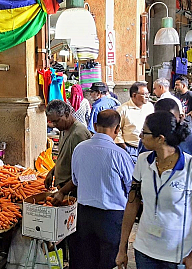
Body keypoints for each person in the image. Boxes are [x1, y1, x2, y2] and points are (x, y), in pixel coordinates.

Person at [116, 111, 192, 269]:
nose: (140, 136)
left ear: (160, 138)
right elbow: (132, 203)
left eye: (145, 132)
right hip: (145, 251)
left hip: (178, 255)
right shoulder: (143, 162)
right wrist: (122, 247)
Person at [51, 110, 134, 269]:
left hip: (84, 215)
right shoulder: (120, 155)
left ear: (94, 125)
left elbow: (75, 180)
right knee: (107, 260)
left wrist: (62, 191)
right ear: (117, 129)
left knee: (84, 258)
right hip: (111, 217)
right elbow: (131, 188)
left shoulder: (80, 149)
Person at [44, 99, 91, 191]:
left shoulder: (78, 134)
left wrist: (62, 192)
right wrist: (52, 172)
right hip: (64, 187)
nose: (54, 125)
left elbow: (83, 170)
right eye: (52, 122)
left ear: (66, 114)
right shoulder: (63, 129)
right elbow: (65, 157)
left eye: (56, 121)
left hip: (73, 189)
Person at [115, 81, 154, 161]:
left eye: (148, 94)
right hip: (131, 148)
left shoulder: (149, 107)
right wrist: (125, 147)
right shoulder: (123, 109)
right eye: (144, 94)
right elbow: (117, 130)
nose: (147, 96)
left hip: (148, 147)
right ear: (134, 95)